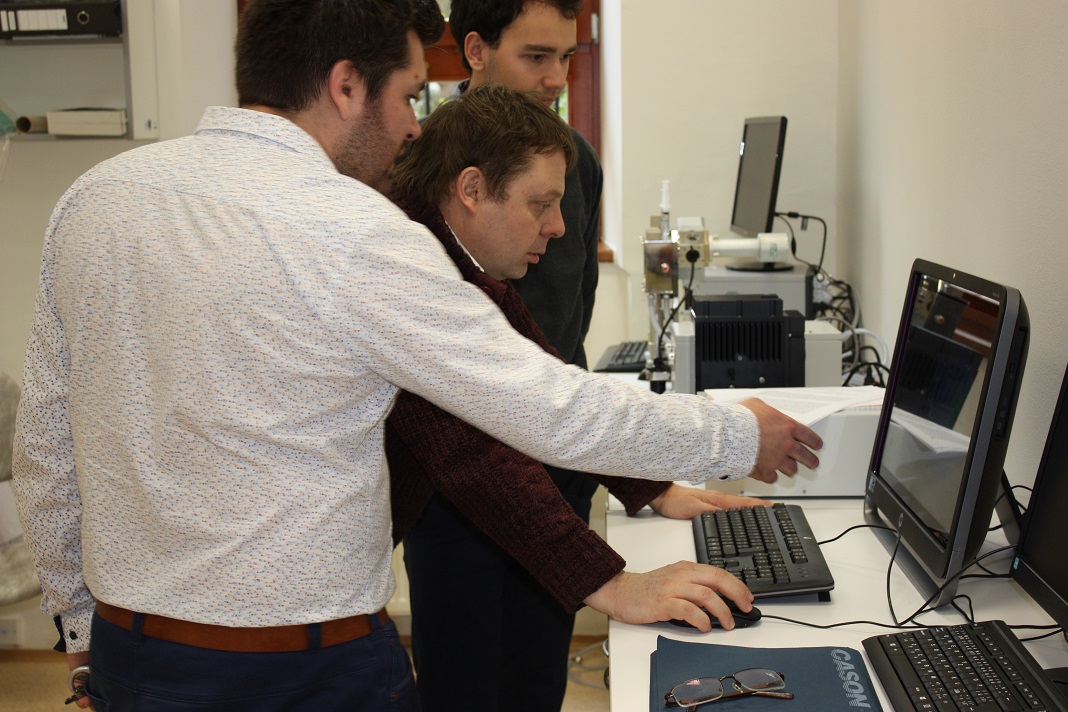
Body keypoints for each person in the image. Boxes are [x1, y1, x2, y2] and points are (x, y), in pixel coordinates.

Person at [12, 1, 820, 710]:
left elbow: (46, 444)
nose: (411, 126)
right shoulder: (353, 231)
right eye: (405, 95)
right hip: (304, 669)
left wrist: (79, 625)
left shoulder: (95, 199)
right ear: (345, 86)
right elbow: (542, 406)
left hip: (132, 653)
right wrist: (735, 433)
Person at [388, 84, 775, 711]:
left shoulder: (456, 261)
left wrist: (648, 485)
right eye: (541, 204)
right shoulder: (409, 270)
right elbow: (480, 450)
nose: (560, 226)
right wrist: (611, 583)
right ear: (471, 189)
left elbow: (545, 378)